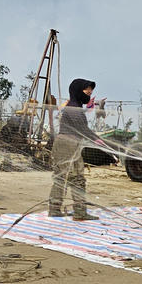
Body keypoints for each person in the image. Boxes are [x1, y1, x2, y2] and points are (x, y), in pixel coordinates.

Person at [49, 78, 100, 220]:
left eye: (90, 91)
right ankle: (79, 212)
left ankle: (54, 209)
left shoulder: (73, 106)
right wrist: (98, 140)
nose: (89, 93)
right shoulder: (74, 108)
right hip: (69, 144)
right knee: (77, 178)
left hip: (64, 143)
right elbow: (83, 129)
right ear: (77, 91)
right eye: (87, 91)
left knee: (60, 177)